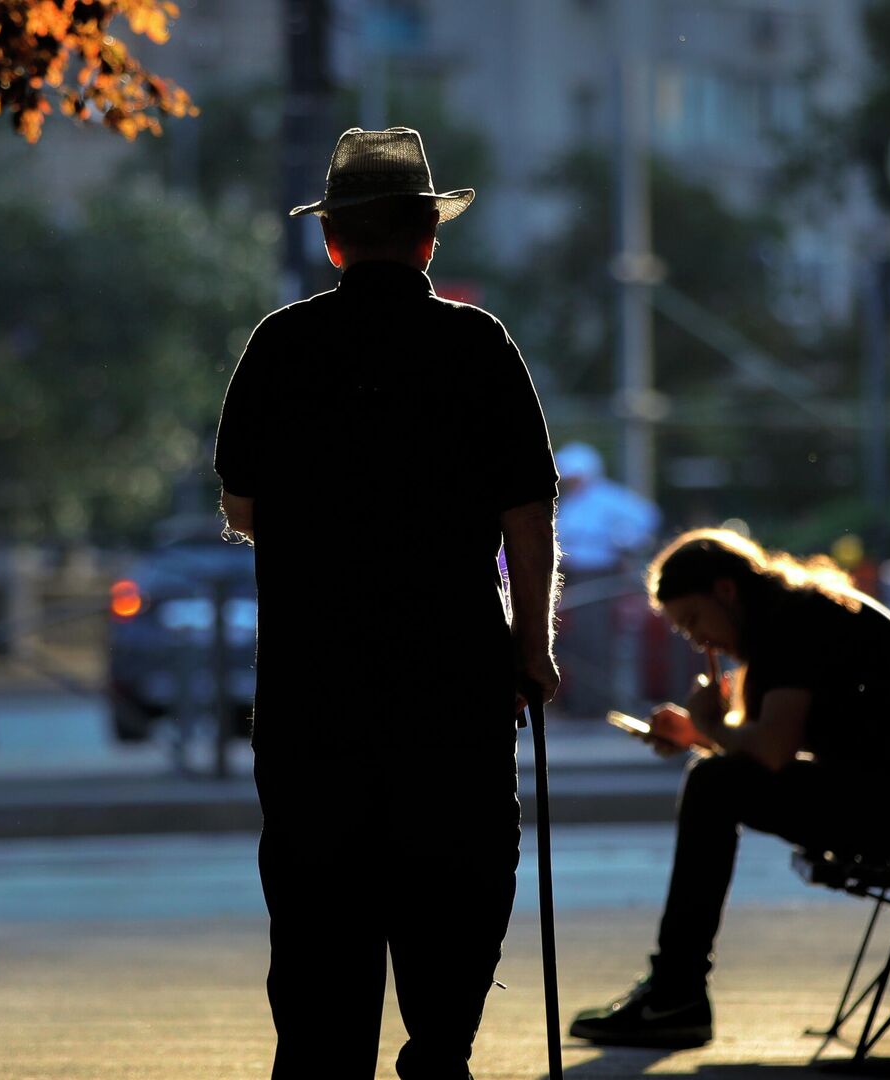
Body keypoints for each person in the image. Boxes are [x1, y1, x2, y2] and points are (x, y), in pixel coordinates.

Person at [213, 126, 561, 1080]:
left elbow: (241, 505)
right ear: (427, 241)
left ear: (332, 242)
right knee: (459, 881)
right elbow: (527, 520)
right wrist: (534, 649)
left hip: (312, 681)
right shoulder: (477, 345)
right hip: (451, 677)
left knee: (320, 901)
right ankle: (438, 1053)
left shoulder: (281, 346)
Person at [568, 528, 890, 1049]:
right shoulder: (794, 611)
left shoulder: (791, 623)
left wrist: (711, 730)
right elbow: (767, 747)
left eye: (693, 620)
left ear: (726, 590)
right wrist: (699, 733)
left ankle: (677, 991)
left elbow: (772, 750)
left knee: (713, 786)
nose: (697, 640)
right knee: (717, 780)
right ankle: (675, 989)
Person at [551, 442, 660, 716]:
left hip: (598, 576)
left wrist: (621, 540)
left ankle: (596, 706)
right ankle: (579, 703)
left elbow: (646, 520)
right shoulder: (571, 502)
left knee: (596, 641)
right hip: (572, 577)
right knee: (577, 642)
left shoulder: (609, 498)